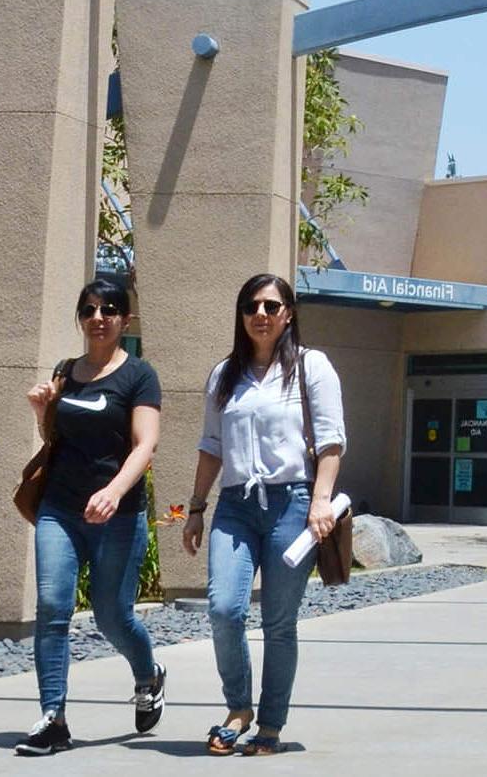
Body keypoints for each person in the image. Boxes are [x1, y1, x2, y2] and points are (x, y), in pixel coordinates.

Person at [182, 272, 345, 757]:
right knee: (224, 609)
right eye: (252, 306)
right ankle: (239, 707)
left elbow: (333, 440)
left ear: (288, 314)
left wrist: (320, 501)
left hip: (292, 504)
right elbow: (211, 446)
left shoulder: (311, 367)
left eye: (272, 307)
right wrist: (195, 508)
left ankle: (270, 725)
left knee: (278, 622)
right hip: (235, 505)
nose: (261, 314)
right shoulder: (223, 375)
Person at [14, 278, 168, 757]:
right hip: (60, 508)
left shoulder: (139, 376)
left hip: (117, 514)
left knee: (112, 616)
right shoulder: (66, 371)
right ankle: (53, 718)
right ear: (80, 317)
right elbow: (56, 438)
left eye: (109, 309)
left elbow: (146, 443)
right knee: (52, 609)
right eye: (89, 309)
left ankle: (149, 674)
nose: (98, 318)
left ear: (125, 319)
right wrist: (44, 410)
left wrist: (114, 491)